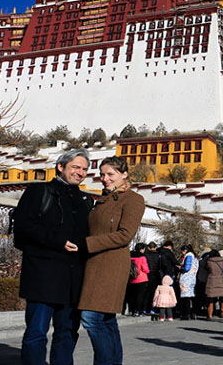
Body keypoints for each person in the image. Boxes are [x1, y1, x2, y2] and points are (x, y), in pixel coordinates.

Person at [13, 149, 92, 365]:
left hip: (73, 279)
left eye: (84, 169)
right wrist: (57, 241)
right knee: (37, 332)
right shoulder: (39, 192)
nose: (80, 172)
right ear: (60, 166)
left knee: (67, 333)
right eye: (75, 167)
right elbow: (23, 226)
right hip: (43, 276)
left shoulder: (86, 200)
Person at [77, 156, 145, 365]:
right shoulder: (102, 200)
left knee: (91, 317)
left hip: (112, 265)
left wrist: (87, 244)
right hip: (92, 263)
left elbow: (125, 235)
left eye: (110, 174)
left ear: (124, 174)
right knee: (106, 319)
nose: (104, 179)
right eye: (102, 175)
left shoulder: (133, 199)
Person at [204, 249, 223, 320]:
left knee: (210, 298)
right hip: (221, 279)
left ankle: (210, 315)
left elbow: (205, 268)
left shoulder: (209, 261)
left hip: (211, 279)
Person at [128, 243, 150, 316]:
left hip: (132, 278)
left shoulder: (130, 256)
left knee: (132, 295)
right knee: (140, 295)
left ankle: (131, 310)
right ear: (142, 249)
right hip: (141, 278)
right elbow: (146, 269)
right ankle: (138, 310)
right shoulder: (142, 257)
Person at [178, 244, 199, 320]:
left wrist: (181, 268)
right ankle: (193, 313)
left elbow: (187, 268)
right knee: (192, 296)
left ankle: (185, 314)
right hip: (193, 278)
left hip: (186, 278)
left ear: (185, 250)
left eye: (183, 251)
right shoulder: (195, 257)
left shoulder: (189, 256)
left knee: (185, 297)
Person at [143, 242, 161, 316]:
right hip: (156, 274)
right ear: (156, 247)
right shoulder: (159, 256)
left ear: (148, 248)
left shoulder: (146, 255)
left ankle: (144, 308)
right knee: (154, 292)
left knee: (147, 292)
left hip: (148, 274)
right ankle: (152, 308)